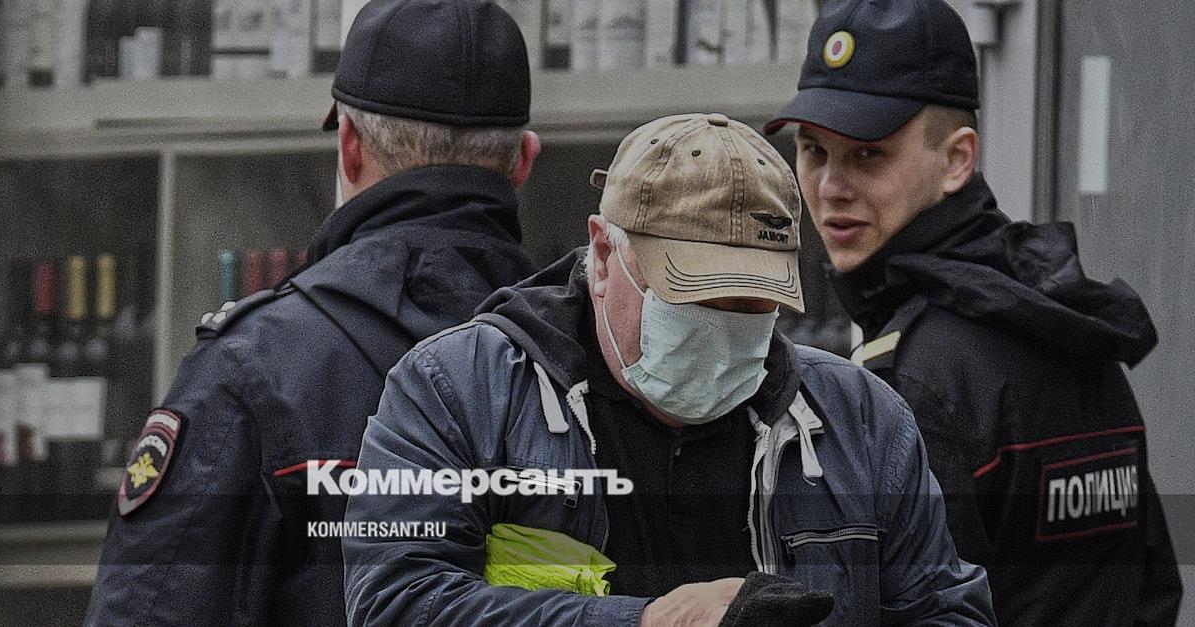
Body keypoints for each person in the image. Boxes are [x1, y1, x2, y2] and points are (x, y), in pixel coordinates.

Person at [342, 112, 995, 625]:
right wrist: (647, 622)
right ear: (604, 257)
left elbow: (947, 612)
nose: (723, 328)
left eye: (751, 302)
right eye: (693, 296)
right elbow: (395, 602)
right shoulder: (457, 393)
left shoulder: (861, 420)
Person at [85, 0, 541, 626]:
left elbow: (150, 610)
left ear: (349, 145)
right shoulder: (592, 353)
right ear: (523, 160)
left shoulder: (254, 365)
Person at [766, 0, 1182, 626]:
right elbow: (1152, 587)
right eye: (814, 150)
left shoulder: (920, 375)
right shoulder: (1060, 318)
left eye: (869, 154)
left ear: (957, 159)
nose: (830, 186)